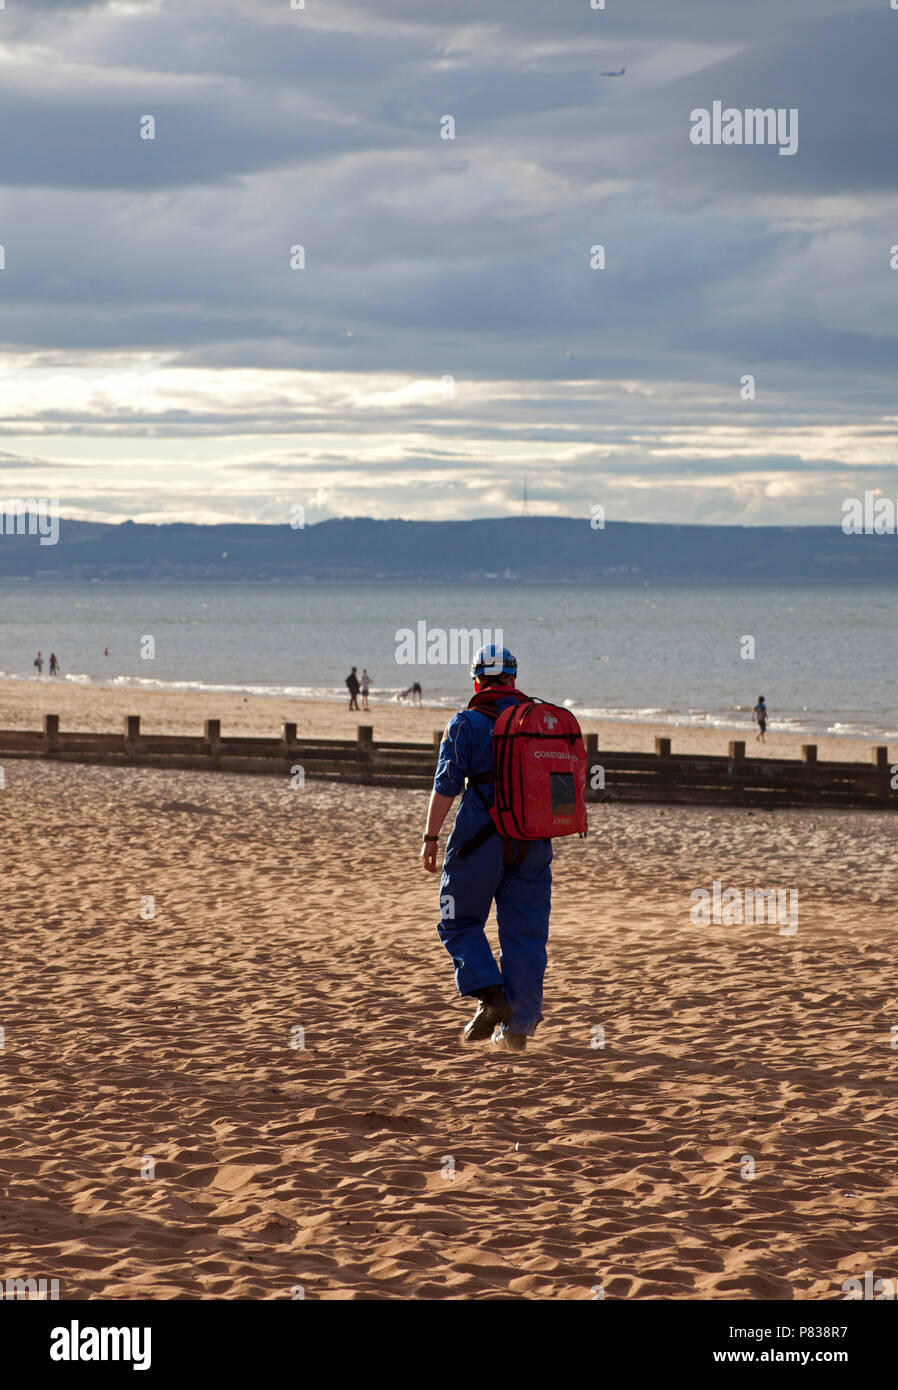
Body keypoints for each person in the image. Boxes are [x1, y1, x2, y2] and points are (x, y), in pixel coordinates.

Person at [420, 644, 552, 1052]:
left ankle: (491, 998)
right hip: (533, 842)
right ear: (514, 679)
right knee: (526, 936)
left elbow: (446, 786)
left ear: (476, 681)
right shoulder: (540, 722)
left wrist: (430, 837)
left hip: (480, 839)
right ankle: (517, 1031)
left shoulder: (465, 723)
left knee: (457, 920)